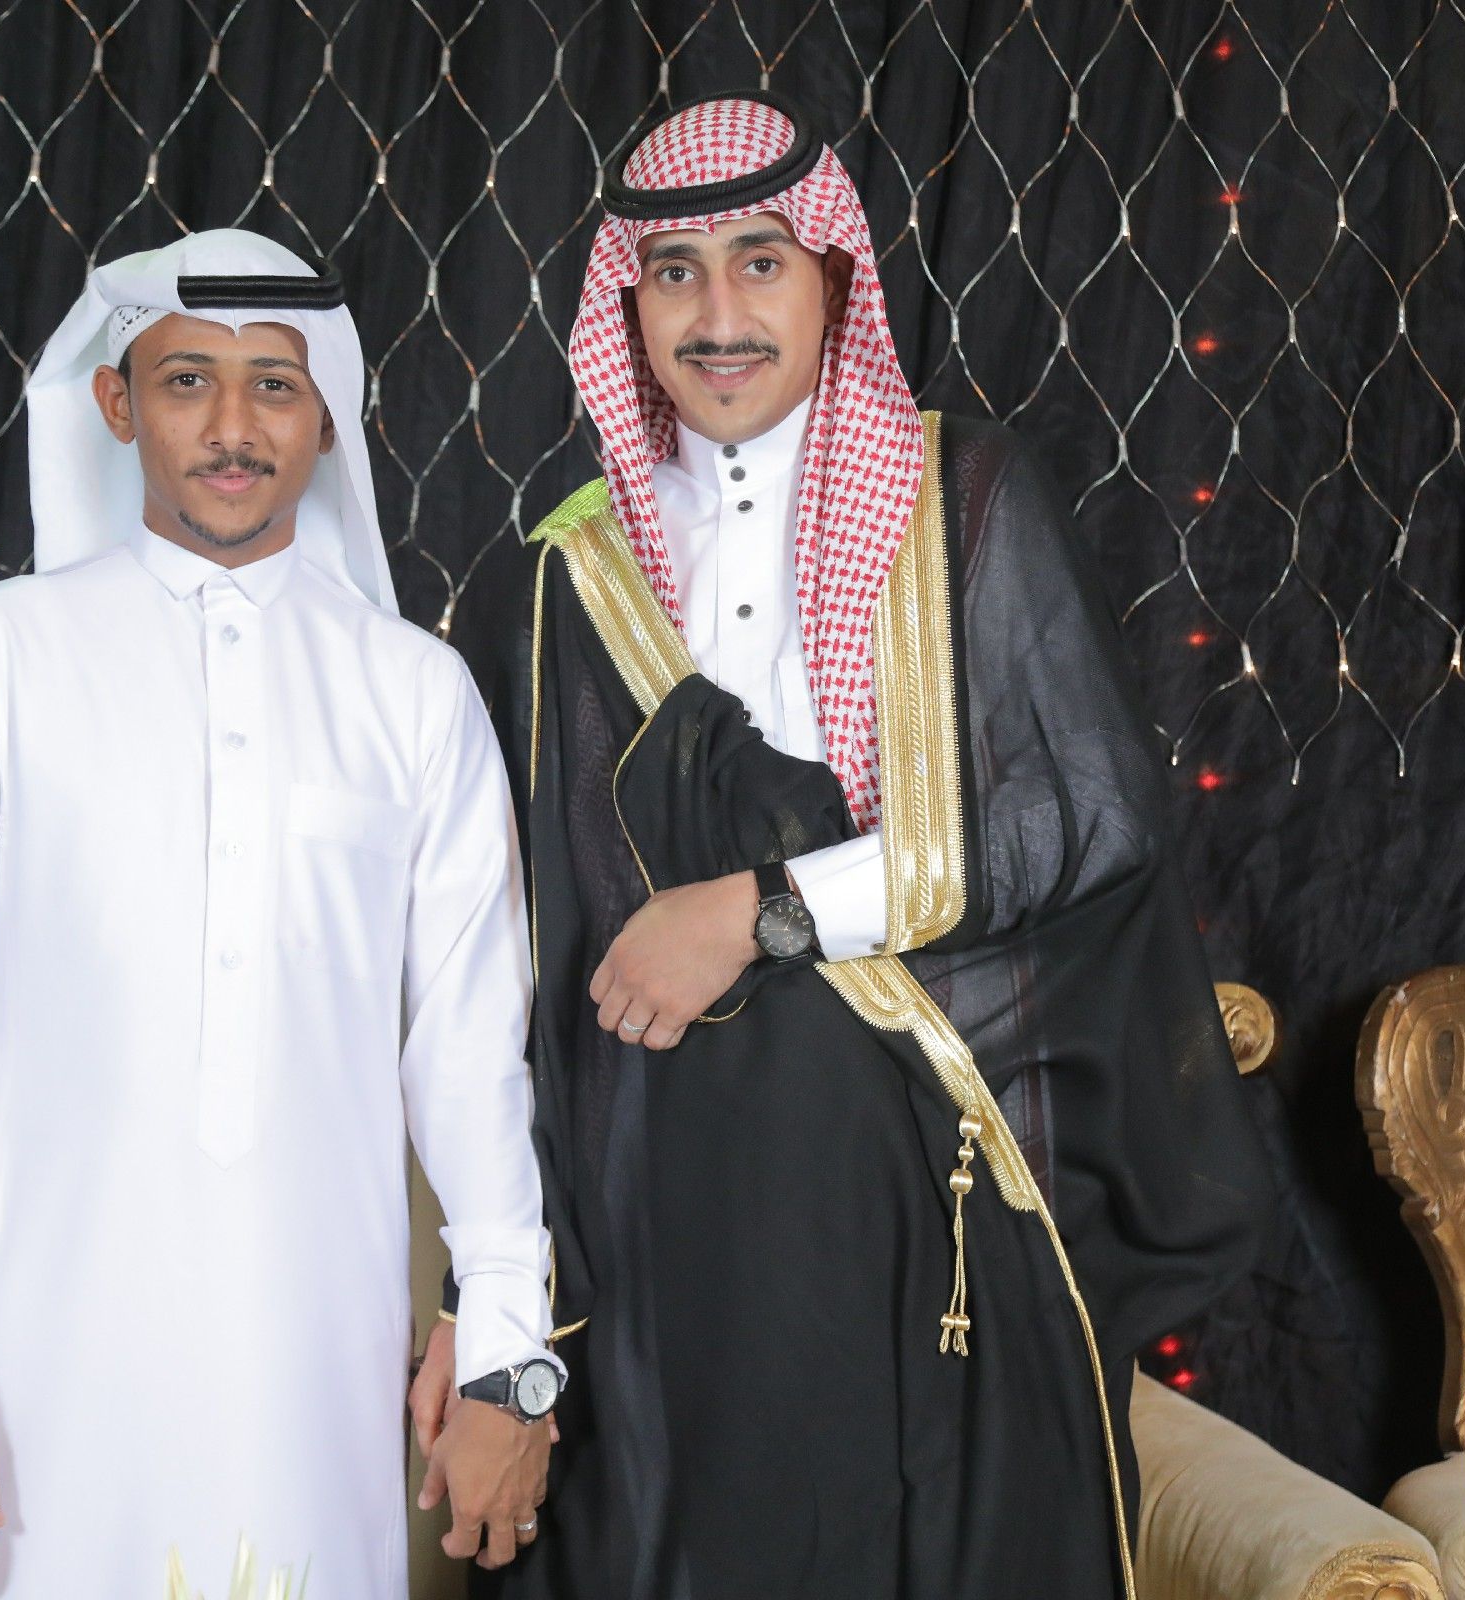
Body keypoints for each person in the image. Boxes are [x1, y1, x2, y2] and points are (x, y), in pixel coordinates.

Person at [411, 94, 1272, 1598]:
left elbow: (1081, 812)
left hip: (920, 1223)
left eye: (760, 262)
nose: (718, 315)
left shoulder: (963, 497)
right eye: (674, 273)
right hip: (659, 1261)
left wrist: (760, 909)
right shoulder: (563, 576)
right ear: (628, 304)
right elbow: (515, 972)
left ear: (831, 280)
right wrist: (493, 1319)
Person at [0, 228, 563, 1599]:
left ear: (327, 414)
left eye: (275, 384)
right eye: (186, 383)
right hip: (20, 1355)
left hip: (309, 1356)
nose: (233, 427)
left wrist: (509, 1350)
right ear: (117, 405)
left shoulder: (416, 693)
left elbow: (472, 1055)